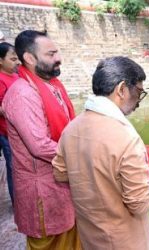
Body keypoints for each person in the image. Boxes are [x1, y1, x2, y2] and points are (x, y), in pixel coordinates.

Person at [52, 56, 149, 249]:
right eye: (139, 92)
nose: (138, 102)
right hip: (125, 241)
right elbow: (140, 205)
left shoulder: (71, 129)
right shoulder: (126, 137)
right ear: (122, 89)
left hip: (90, 236)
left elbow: (60, 173)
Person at [2, 30, 82, 250]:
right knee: (50, 242)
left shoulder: (52, 85)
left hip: (62, 180)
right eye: (51, 54)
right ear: (29, 58)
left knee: (72, 237)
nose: (58, 58)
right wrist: (85, 155)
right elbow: (39, 146)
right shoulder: (23, 94)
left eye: (57, 52)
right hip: (43, 191)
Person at [0, 42, 20, 205]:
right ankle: (17, 203)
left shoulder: (15, 75)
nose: (17, 62)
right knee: (13, 167)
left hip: (20, 130)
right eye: (12, 59)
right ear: (0, 60)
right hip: (7, 132)